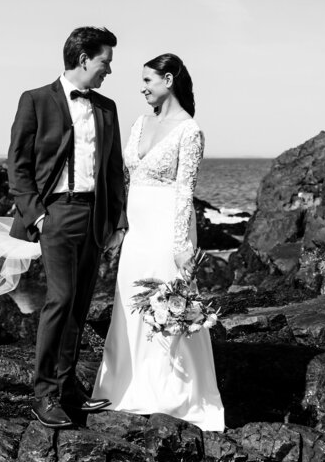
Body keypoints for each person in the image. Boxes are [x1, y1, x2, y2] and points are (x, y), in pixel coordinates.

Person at [90, 53, 225, 431]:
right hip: (137, 230)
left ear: (168, 79)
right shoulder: (139, 123)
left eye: (148, 80)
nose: (142, 87)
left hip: (167, 230)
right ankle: (124, 384)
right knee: (130, 302)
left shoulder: (189, 131)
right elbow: (125, 178)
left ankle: (174, 392)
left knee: (168, 304)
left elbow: (185, 193)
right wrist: (118, 225)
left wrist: (182, 247)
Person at [6, 26, 129, 429]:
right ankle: (44, 394)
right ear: (83, 60)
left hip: (94, 216)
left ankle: (68, 387)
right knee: (59, 300)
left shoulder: (107, 107)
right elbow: (18, 165)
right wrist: (37, 215)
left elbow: (114, 169)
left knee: (80, 303)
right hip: (55, 214)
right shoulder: (35, 100)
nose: (108, 71)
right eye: (104, 63)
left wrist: (117, 221)